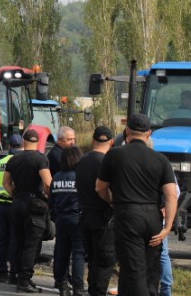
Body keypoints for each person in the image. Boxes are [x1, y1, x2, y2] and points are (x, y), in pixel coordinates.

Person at [96, 114, 177, 296]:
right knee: (150, 268)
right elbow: (171, 195)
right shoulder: (161, 159)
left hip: (128, 215)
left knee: (133, 270)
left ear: (127, 132)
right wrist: (168, 227)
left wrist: (112, 200)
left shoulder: (115, 154)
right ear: (149, 133)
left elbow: (100, 187)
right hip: (153, 217)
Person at [3, 128, 52, 293]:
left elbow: (6, 183)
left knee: (18, 240)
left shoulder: (14, 159)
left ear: (24, 142)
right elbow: (47, 183)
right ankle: (24, 280)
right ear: (37, 142)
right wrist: (48, 197)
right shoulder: (40, 159)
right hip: (34, 204)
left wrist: (15, 194)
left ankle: (14, 274)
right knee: (32, 244)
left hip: (18, 203)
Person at [75, 126, 116, 296]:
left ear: (93, 141)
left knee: (92, 259)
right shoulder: (108, 163)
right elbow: (105, 189)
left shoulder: (81, 161)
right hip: (103, 217)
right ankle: (98, 292)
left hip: (85, 214)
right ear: (112, 142)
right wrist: (113, 202)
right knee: (105, 260)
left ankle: (93, 290)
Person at [50, 146, 85, 296]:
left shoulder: (56, 177)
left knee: (62, 252)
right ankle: (78, 287)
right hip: (76, 218)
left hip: (60, 218)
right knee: (78, 253)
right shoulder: (79, 177)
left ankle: (62, 285)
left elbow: (51, 200)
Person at [0, 134, 23, 284]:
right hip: (14, 204)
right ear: (22, 146)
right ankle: (14, 272)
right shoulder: (20, 162)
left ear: (10, 146)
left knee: (2, 239)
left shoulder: (0, 162)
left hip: (1, 204)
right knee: (14, 240)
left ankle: (1, 272)